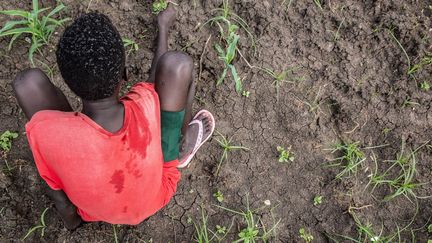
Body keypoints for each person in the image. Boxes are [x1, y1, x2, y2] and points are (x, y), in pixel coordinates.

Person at [12, 5, 215, 229]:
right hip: (156, 193)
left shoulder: (44, 135)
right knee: (179, 64)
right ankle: (179, 146)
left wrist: (73, 223)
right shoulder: (145, 105)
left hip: (93, 210)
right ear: (125, 74)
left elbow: (59, 196)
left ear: (69, 86)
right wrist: (163, 29)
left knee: (26, 83)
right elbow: (157, 76)